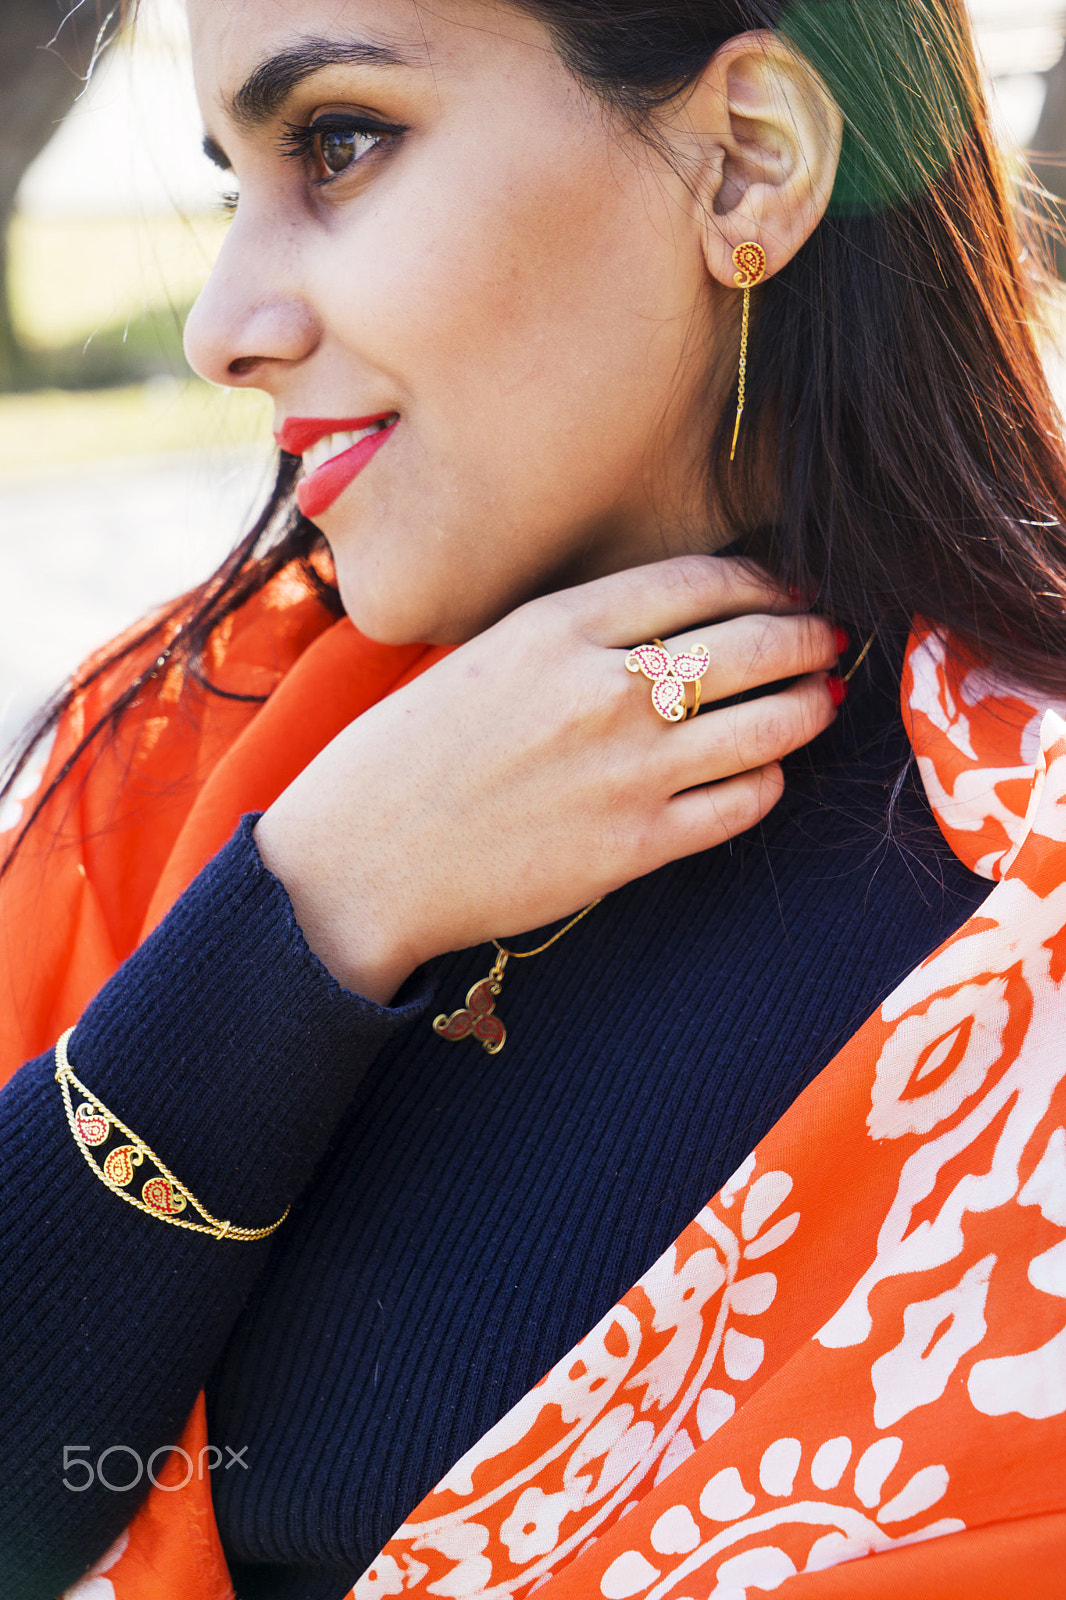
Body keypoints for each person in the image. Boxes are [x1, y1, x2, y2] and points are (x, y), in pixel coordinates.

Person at [2, 0, 1066, 1595]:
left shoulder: (1021, 915)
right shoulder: (188, 754)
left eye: (342, 145)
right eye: (236, 188)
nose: (220, 328)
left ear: (744, 164)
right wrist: (311, 906)